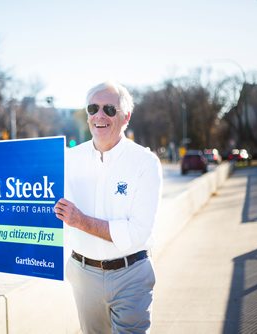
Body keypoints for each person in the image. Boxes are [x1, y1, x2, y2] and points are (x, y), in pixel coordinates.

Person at [55, 81, 162, 334]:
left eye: (109, 110)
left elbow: (137, 233)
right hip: (82, 274)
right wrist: (1, 257)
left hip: (131, 275)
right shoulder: (69, 160)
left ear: (126, 116)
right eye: (93, 109)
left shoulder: (145, 162)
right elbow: (35, 210)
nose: (99, 116)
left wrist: (80, 221)